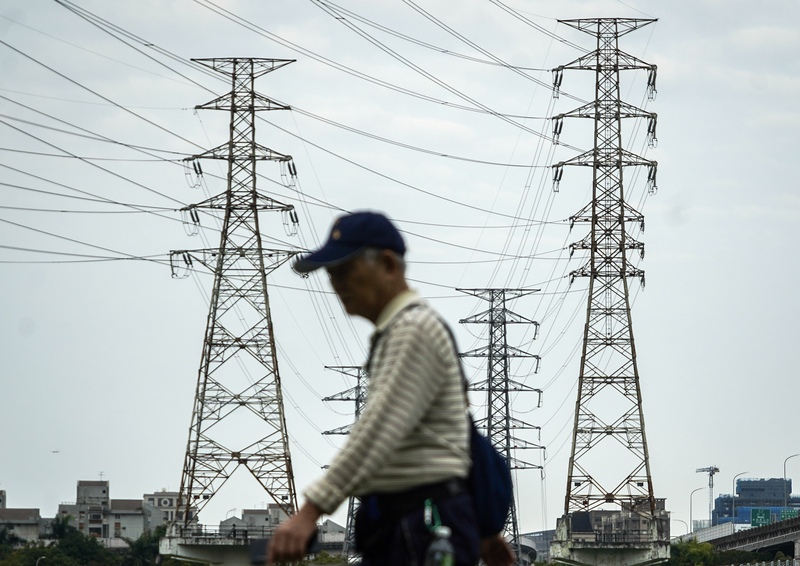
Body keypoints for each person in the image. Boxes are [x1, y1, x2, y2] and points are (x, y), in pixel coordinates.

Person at [267, 211, 514, 566]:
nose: (337, 285)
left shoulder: (412, 331)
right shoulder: (403, 330)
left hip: (421, 522)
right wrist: (486, 533)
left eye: (345, 271)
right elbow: (448, 434)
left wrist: (310, 510)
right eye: (331, 275)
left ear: (386, 264)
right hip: (420, 520)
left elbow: (379, 428)